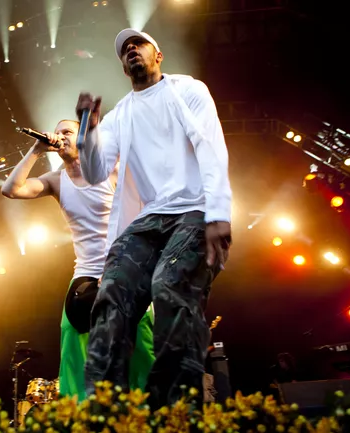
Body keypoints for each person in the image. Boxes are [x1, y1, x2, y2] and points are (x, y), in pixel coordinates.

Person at [76, 28, 233, 408]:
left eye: (139, 44)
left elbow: (210, 146)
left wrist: (219, 213)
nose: (131, 49)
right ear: (123, 67)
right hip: (149, 218)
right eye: (125, 49)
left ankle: (176, 410)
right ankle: (104, 409)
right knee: (112, 292)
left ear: (158, 55)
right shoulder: (120, 114)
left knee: (169, 285)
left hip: (194, 210)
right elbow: (95, 172)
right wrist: (87, 130)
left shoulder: (188, 90)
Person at [1, 119, 155, 400]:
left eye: (68, 132)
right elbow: (11, 189)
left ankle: (150, 410)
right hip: (85, 273)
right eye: (57, 132)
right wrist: (37, 150)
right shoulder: (55, 180)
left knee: (140, 346)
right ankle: (80, 410)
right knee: (71, 335)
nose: (60, 136)